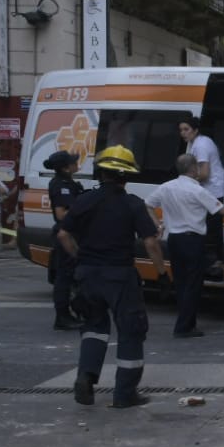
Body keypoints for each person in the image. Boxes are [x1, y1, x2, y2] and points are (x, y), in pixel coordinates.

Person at [58, 145, 168, 409]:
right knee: (131, 330)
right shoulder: (132, 204)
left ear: (101, 173)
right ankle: (125, 394)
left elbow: (63, 235)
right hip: (119, 275)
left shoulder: (84, 200)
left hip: (87, 274)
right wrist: (162, 274)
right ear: (125, 177)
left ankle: (86, 376)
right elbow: (151, 243)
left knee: (94, 328)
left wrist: (78, 259)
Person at [146, 153, 224, 339]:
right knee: (193, 284)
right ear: (193, 169)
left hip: (174, 240)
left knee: (181, 283)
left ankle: (186, 323)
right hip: (192, 241)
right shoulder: (197, 190)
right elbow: (221, 209)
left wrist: (157, 223)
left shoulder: (167, 187)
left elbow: (148, 204)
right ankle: (184, 326)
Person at [177, 115, 224, 277]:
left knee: (210, 233)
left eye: (186, 129)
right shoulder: (196, 142)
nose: (183, 133)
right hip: (209, 191)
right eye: (181, 130)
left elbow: (204, 173)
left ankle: (212, 266)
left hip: (213, 192)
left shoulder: (201, 145)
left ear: (196, 130)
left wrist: (184, 182)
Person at [45, 150, 86, 330]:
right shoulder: (61, 185)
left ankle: (75, 311)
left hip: (73, 233)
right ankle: (62, 316)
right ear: (65, 168)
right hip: (66, 234)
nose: (76, 163)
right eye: (72, 162)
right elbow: (61, 214)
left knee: (72, 276)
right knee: (65, 277)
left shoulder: (68, 183)